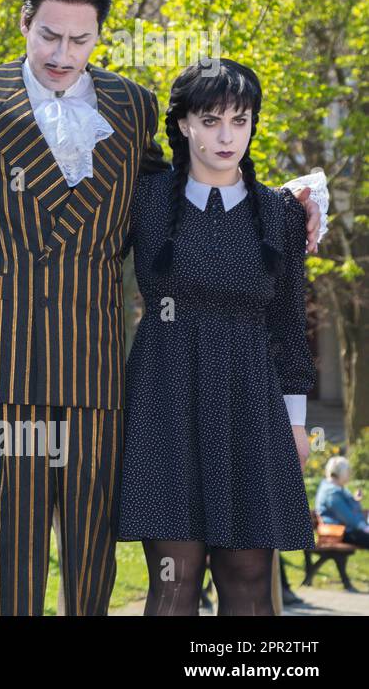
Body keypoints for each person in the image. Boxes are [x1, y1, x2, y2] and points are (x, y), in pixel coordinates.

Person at [0, 0, 324, 615]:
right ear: (25, 26)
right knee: (7, 555)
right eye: (49, 36)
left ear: (100, 37)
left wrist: (292, 197)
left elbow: (175, 190)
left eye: (80, 40)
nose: (63, 54)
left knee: (93, 564)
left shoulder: (130, 107)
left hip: (96, 367)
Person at [115, 57, 315, 615]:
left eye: (240, 121)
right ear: (183, 125)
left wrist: (296, 424)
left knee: (249, 575)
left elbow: (289, 326)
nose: (227, 137)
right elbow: (75, 246)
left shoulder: (280, 213)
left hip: (251, 405)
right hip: (164, 401)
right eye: (211, 121)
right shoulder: (145, 200)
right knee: (174, 579)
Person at [317, 457, 369, 549]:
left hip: (346, 530)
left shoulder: (336, 488)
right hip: (340, 532)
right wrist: (364, 527)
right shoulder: (331, 493)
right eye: (348, 472)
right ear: (342, 473)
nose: (350, 475)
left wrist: (355, 500)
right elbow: (348, 517)